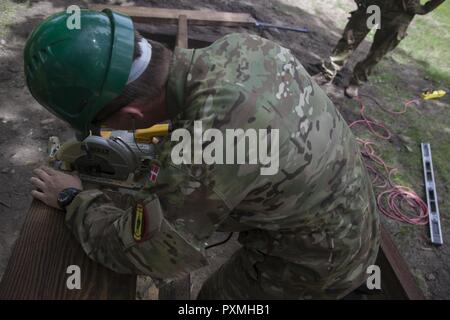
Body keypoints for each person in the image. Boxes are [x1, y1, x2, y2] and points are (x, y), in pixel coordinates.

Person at [26, 9, 379, 299]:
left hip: (320, 263)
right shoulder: (240, 48)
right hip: (351, 218)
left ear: (130, 118)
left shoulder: (204, 147)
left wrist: (74, 198)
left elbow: (150, 252)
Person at [317, 0, 445, 98]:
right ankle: (327, 73)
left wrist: (425, 9)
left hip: (400, 12)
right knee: (351, 39)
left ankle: (357, 80)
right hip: (376, 5)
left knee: (379, 51)